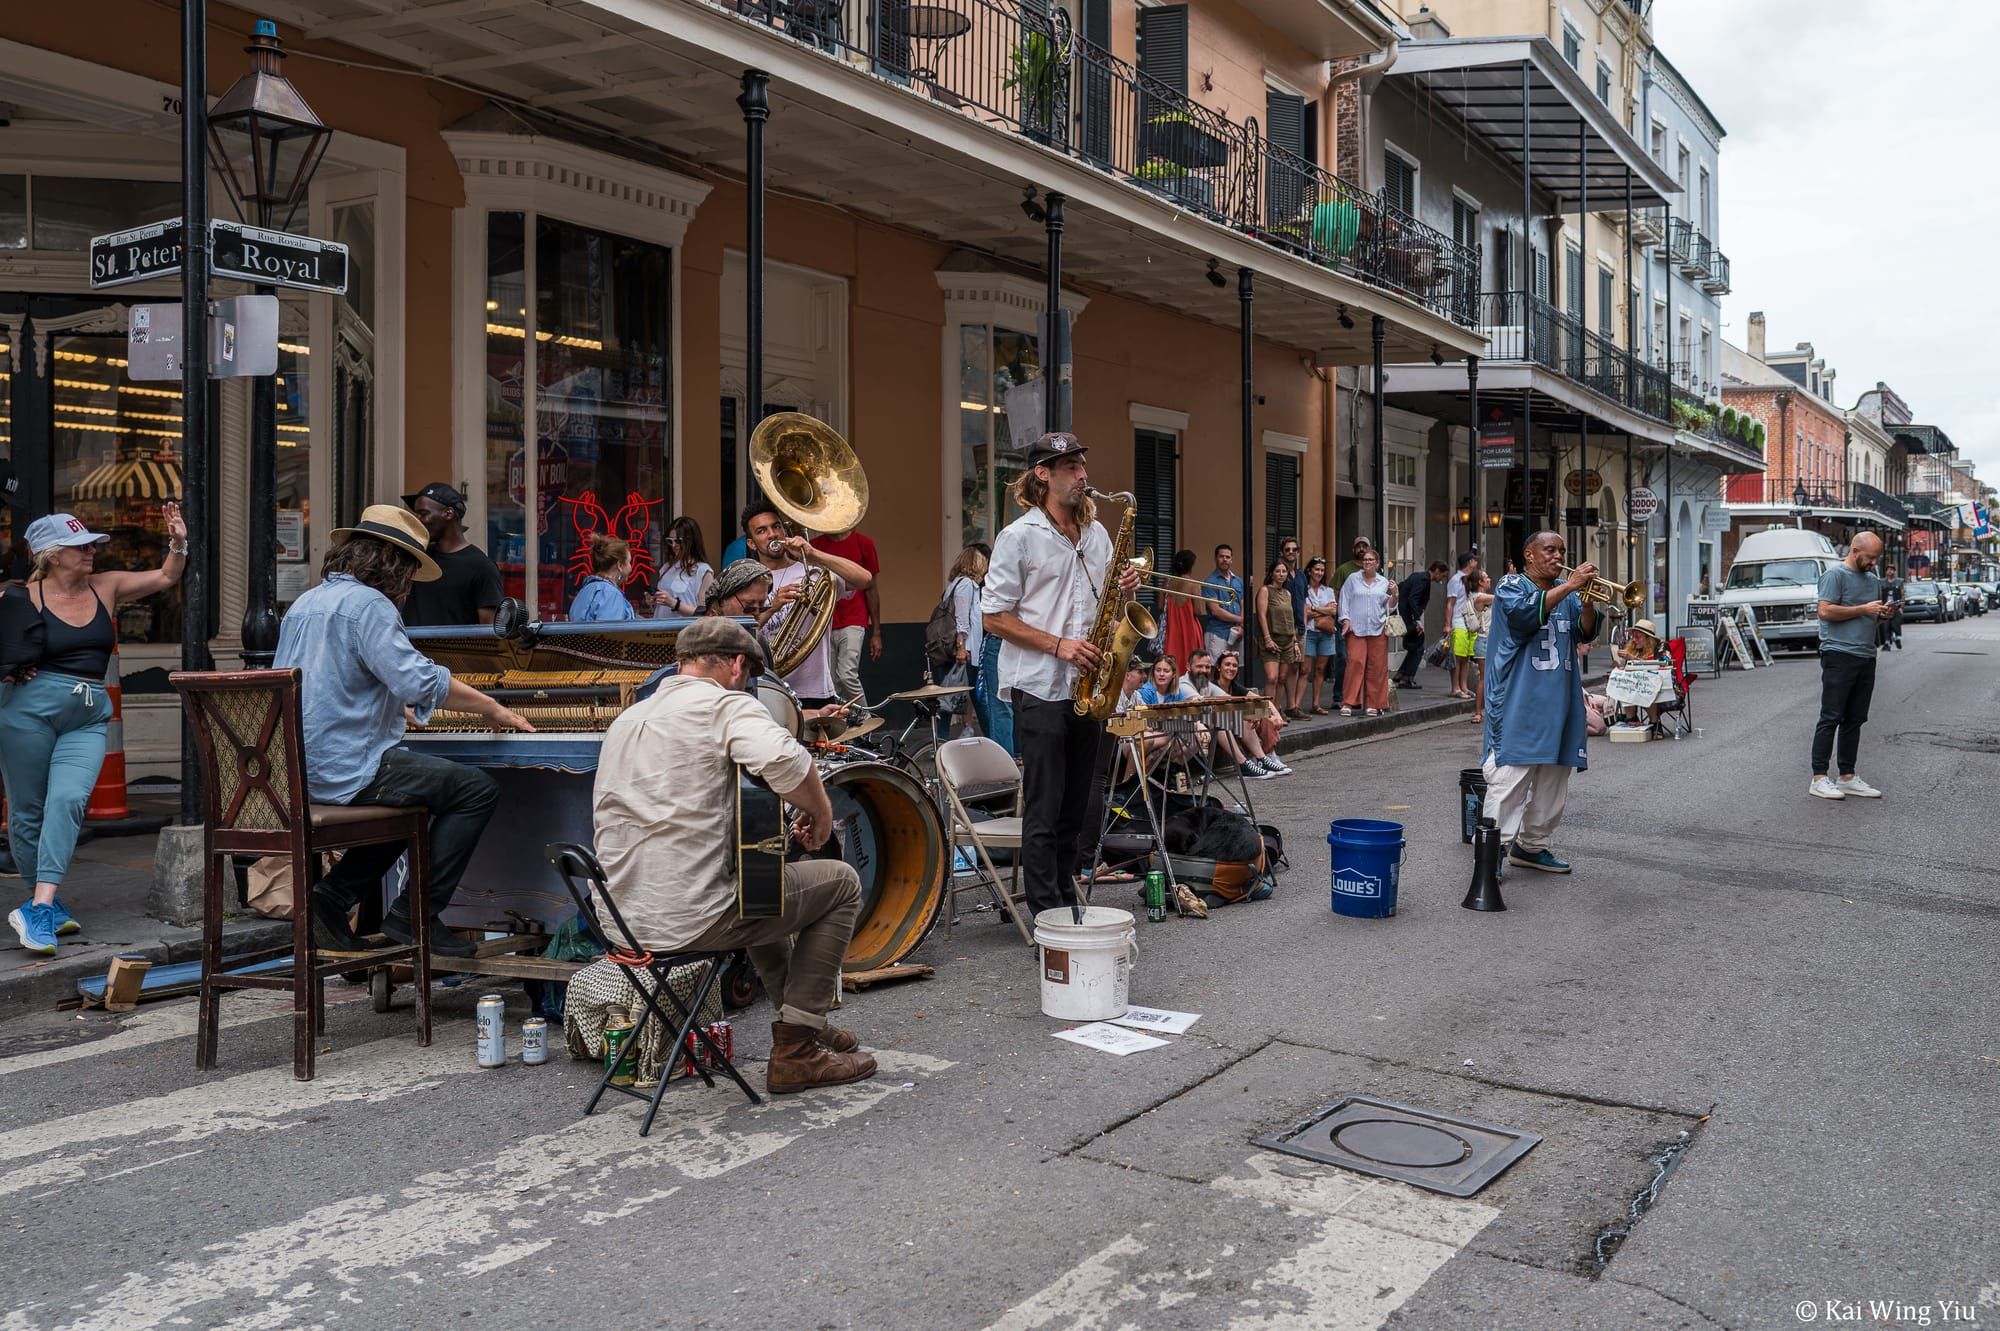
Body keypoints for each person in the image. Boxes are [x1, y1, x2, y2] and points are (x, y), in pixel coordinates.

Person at [592, 615, 876, 1094]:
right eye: (748, 678)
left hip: (621, 920)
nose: (746, 687)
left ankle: (798, 1017)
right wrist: (822, 816)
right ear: (737, 665)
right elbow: (789, 759)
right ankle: (797, 1048)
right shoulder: (723, 705)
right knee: (842, 883)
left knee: (758, 879)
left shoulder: (630, 717)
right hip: (690, 920)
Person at [274, 505, 534, 958]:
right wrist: (492, 707)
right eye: (410, 572)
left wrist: (390, 710)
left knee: (412, 798)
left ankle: (331, 898)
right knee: (475, 791)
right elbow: (418, 680)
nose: (410, 586)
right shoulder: (368, 605)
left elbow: (330, 681)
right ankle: (416, 915)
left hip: (298, 767)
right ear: (392, 563)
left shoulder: (306, 603)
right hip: (344, 765)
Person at [1, 507, 187, 955]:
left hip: (87, 714)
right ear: (51, 555)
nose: (91, 551)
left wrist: (178, 542)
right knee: (27, 813)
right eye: (81, 546)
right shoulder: (22, 596)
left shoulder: (106, 586)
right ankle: (42, 898)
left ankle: (41, 907)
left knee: (67, 800)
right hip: (27, 712)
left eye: (92, 544)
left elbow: (164, 578)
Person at [980, 432, 1140, 919]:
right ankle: (1046, 913)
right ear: (1043, 475)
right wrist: (1059, 645)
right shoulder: (1019, 537)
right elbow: (992, 616)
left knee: (1076, 807)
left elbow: (1107, 607)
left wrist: (1125, 586)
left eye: (1082, 465)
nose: (1083, 475)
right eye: (1070, 466)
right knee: (1046, 807)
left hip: (1088, 686)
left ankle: (1066, 898)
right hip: (1040, 684)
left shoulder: (1097, 536)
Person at [1480, 532, 1602, 874]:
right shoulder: (1510, 585)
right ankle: (1490, 858)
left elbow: (1586, 632)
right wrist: (1571, 585)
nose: (1557, 556)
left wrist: (1588, 601)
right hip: (1519, 700)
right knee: (1509, 780)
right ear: (1529, 555)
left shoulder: (1567, 590)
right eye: (1549, 550)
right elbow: (1522, 616)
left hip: (1561, 703)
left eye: (1561, 550)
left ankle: (1532, 846)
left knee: (1554, 782)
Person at [745, 499, 875, 709]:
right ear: (751, 543)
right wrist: (773, 606)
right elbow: (740, 631)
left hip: (816, 690)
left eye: (776, 526)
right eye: (761, 531)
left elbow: (865, 578)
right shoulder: (747, 581)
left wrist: (813, 553)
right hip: (768, 687)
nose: (772, 534)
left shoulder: (812, 572)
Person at [1809, 531, 1893, 801]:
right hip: (1838, 653)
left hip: (1866, 655)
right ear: (1855, 551)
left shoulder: (1873, 581)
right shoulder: (1835, 576)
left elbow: (1868, 618)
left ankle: (1847, 776)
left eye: (1876, 559)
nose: (1873, 564)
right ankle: (1819, 777)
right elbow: (1825, 611)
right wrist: (1864, 609)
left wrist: (1881, 615)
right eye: (1870, 558)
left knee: (1855, 718)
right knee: (1831, 716)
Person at [399, 483, 503, 628]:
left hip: (454, 651)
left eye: (423, 513)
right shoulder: (416, 557)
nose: (418, 520)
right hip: (409, 649)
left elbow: (489, 631)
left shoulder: (482, 567)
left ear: (448, 513)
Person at [1181, 650, 1288, 777]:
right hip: (1185, 727)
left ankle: (1261, 759)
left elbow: (1230, 700)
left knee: (1243, 717)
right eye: (1199, 666)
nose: (1204, 670)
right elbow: (1203, 707)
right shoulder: (1183, 684)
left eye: (1207, 667)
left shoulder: (1206, 684)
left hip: (1204, 725)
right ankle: (1243, 765)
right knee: (1220, 721)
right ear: (1188, 667)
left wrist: (1255, 715)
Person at [810, 524, 881, 707]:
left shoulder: (864, 543)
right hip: (824, 622)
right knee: (832, 681)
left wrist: (876, 632)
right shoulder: (813, 546)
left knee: (846, 674)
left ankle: (866, 721)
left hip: (854, 619)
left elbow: (871, 589)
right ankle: (844, 727)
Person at [1336, 548, 1397, 717]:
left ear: (1377, 563)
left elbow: (1389, 607)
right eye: (1365, 560)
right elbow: (1344, 599)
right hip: (1357, 628)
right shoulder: (1352, 579)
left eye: (1371, 560)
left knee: (1377, 667)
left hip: (1377, 628)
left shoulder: (1384, 582)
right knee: (1355, 663)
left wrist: (1395, 595)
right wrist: (1345, 619)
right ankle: (1348, 702)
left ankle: (1373, 703)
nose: (1367, 562)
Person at [966, 542, 1014, 755]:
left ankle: (1004, 760)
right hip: (1019, 639)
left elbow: (989, 620)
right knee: (1012, 704)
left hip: (999, 638)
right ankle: (1013, 754)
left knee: (999, 705)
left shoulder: (993, 580)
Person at [941, 545, 987, 739]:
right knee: (976, 697)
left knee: (951, 697)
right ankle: (995, 739)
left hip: (965, 650)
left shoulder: (955, 585)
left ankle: (941, 739)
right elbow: (962, 619)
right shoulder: (966, 585)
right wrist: (962, 647)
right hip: (966, 651)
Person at [1215, 649, 1287, 768]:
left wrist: (1276, 715)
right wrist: (1252, 715)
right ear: (1218, 667)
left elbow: (1262, 700)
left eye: (1234, 665)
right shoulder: (1213, 687)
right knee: (1251, 717)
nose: (1231, 668)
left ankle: (1268, 755)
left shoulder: (1235, 687)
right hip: (1222, 724)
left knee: (1264, 714)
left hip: (1236, 723)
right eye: (1227, 664)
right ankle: (1259, 758)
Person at [1255, 560, 1301, 713]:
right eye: (1278, 571)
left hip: (1287, 639)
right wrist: (1267, 638)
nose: (1281, 574)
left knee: (1282, 677)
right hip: (1272, 638)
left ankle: (1276, 710)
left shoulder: (1287, 593)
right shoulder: (1265, 590)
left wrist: (1295, 642)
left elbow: (1291, 617)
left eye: (1284, 572)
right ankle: (1266, 713)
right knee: (1271, 677)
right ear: (1271, 574)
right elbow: (1261, 615)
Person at [1394, 561, 1448, 689]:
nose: (1442, 579)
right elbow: (1413, 599)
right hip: (1409, 617)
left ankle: (1401, 674)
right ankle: (1407, 677)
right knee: (1418, 647)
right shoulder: (1424, 580)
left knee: (1415, 646)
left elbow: (1403, 588)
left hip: (1406, 615)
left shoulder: (1418, 576)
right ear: (1437, 571)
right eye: (1443, 575)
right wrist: (1417, 620)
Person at [1610, 618, 1669, 729]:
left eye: (1638, 637)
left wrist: (1633, 658)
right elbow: (1631, 671)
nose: (1634, 640)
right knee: (1625, 682)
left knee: (1647, 686)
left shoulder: (1661, 647)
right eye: (1633, 636)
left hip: (1661, 687)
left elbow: (1663, 664)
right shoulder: (1634, 648)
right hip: (1638, 687)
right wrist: (1620, 666)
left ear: (1648, 639)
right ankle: (1631, 718)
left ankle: (1655, 723)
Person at [567, 533, 638, 623]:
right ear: (619, 565)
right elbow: (610, 633)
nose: (631, 567)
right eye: (629, 562)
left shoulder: (586, 590)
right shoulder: (610, 594)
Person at [653, 516, 714, 619]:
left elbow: (705, 614)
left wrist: (674, 603)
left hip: (685, 631)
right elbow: (661, 608)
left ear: (691, 542)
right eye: (670, 541)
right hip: (659, 630)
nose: (673, 545)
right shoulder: (666, 568)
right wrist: (654, 600)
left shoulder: (703, 571)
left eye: (678, 541)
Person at [1300, 557, 1338, 715]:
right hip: (1309, 633)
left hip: (1326, 634)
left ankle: (1316, 704)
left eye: (1322, 570)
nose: (1319, 573)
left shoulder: (1327, 591)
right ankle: (1296, 705)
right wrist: (1323, 609)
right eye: (1316, 569)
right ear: (1309, 570)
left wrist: (1314, 608)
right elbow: (1305, 612)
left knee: (1321, 669)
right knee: (1305, 670)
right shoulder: (1304, 590)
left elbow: (1334, 611)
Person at [1160, 549, 1203, 672]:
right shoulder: (1194, 584)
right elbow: (1198, 611)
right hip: (1190, 628)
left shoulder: (1167, 581)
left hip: (1171, 628)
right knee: (1192, 662)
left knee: (1171, 665)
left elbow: (1160, 605)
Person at [1460, 570, 1494, 724]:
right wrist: (1510, 579)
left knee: (1486, 677)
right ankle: (1478, 712)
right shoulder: (1481, 598)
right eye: (1486, 578)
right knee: (1484, 677)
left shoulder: (1477, 597)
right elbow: (1504, 597)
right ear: (1481, 582)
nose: (1489, 579)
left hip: (1486, 640)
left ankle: (1482, 712)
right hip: (1485, 640)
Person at [1200, 544, 1245, 661]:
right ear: (1215, 559)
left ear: (1231, 560)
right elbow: (1215, 611)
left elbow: (1243, 604)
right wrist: (1240, 620)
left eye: (1228, 557)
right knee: (1215, 670)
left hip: (1237, 633)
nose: (1225, 559)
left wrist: (1241, 626)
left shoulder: (1238, 581)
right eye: (1221, 556)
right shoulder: (1210, 582)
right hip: (1218, 633)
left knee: (1234, 670)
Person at [1446, 553, 1481, 699]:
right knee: (1458, 657)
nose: (1476, 563)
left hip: (1469, 621)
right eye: (1474, 561)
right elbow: (1450, 603)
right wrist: (1447, 624)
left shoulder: (1470, 580)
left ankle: (1464, 686)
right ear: (1470, 562)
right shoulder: (1456, 580)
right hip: (1459, 620)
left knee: (1466, 656)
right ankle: (1455, 688)